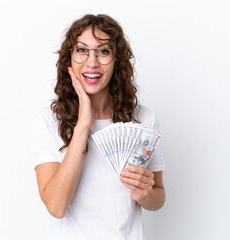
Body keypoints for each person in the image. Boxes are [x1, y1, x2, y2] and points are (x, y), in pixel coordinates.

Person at [32, 14, 166, 240]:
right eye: (82, 50)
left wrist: (143, 193)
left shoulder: (143, 119)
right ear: (69, 59)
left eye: (103, 51)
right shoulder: (49, 120)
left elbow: (158, 198)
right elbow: (56, 206)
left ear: (117, 60)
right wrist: (84, 123)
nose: (92, 62)